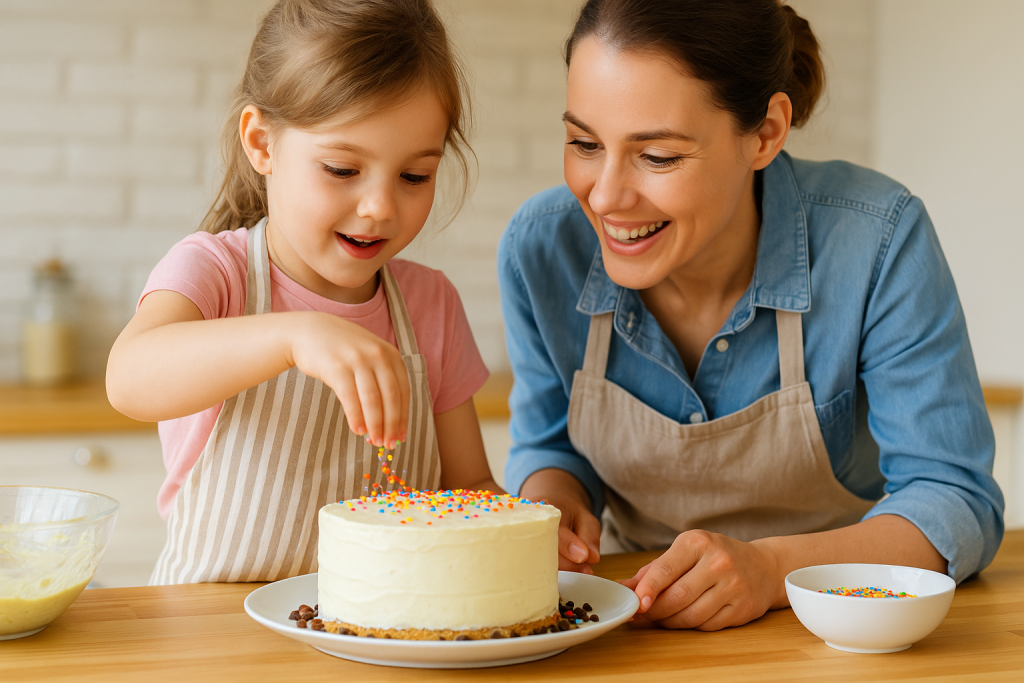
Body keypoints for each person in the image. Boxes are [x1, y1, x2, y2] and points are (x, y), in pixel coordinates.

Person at [498, 0, 1004, 631]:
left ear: (765, 133)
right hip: (638, 625)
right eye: (583, 143)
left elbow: (955, 500)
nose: (604, 196)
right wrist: (553, 508)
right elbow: (550, 447)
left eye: (656, 157)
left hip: (843, 630)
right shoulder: (541, 250)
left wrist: (770, 570)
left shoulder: (876, 239)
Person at [106, 0, 498, 585]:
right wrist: (294, 334)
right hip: (216, 646)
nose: (380, 208)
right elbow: (129, 378)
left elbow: (469, 491)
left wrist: (534, 529)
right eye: (342, 169)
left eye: (415, 176)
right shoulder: (217, 271)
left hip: (379, 639)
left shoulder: (430, 305)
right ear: (262, 143)